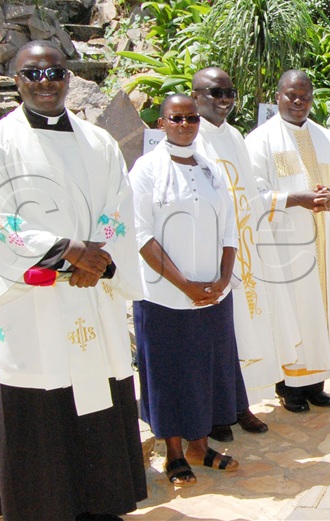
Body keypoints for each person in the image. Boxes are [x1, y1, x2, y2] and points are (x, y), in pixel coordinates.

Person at [0, 41, 147, 519]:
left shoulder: (99, 141)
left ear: (68, 78)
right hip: (35, 304)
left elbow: (118, 208)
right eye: (33, 75)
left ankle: (102, 504)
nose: (46, 83)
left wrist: (100, 262)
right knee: (40, 408)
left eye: (55, 73)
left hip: (93, 292)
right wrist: (69, 253)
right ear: (16, 81)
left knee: (99, 404)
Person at [131, 94, 241, 486]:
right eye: (176, 118)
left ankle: (200, 445)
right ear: (161, 124)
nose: (185, 125)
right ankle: (174, 454)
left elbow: (229, 228)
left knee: (204, 371)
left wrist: (224, 279)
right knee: (168, 374)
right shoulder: (146, 170)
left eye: (191, 118)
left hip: (212, 294)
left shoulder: (210, 168)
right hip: (163, 296)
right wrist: (184, 285)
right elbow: (141, 235)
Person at [245, 70, 330, 413]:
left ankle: (316, 383)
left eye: (304, 97)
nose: (298, 102)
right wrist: (296, 199)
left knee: (321, 309)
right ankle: (289, 387)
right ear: (278, 96)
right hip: (283, 245)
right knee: (290, 311)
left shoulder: (326, 138)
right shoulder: (260, 141)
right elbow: (253, 194)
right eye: (291, 95)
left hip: (325, 243)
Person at [191, 67, 287, 443]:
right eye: (216, 92)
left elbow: (249, 194)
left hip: (246, 249)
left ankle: (241, 404)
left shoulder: (234, 136)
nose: (225, 99)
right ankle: (215, 414)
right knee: (214, 337)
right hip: (209, 255)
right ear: (196, 95)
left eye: (230, 92)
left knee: (244, 332)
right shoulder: (190, 137)